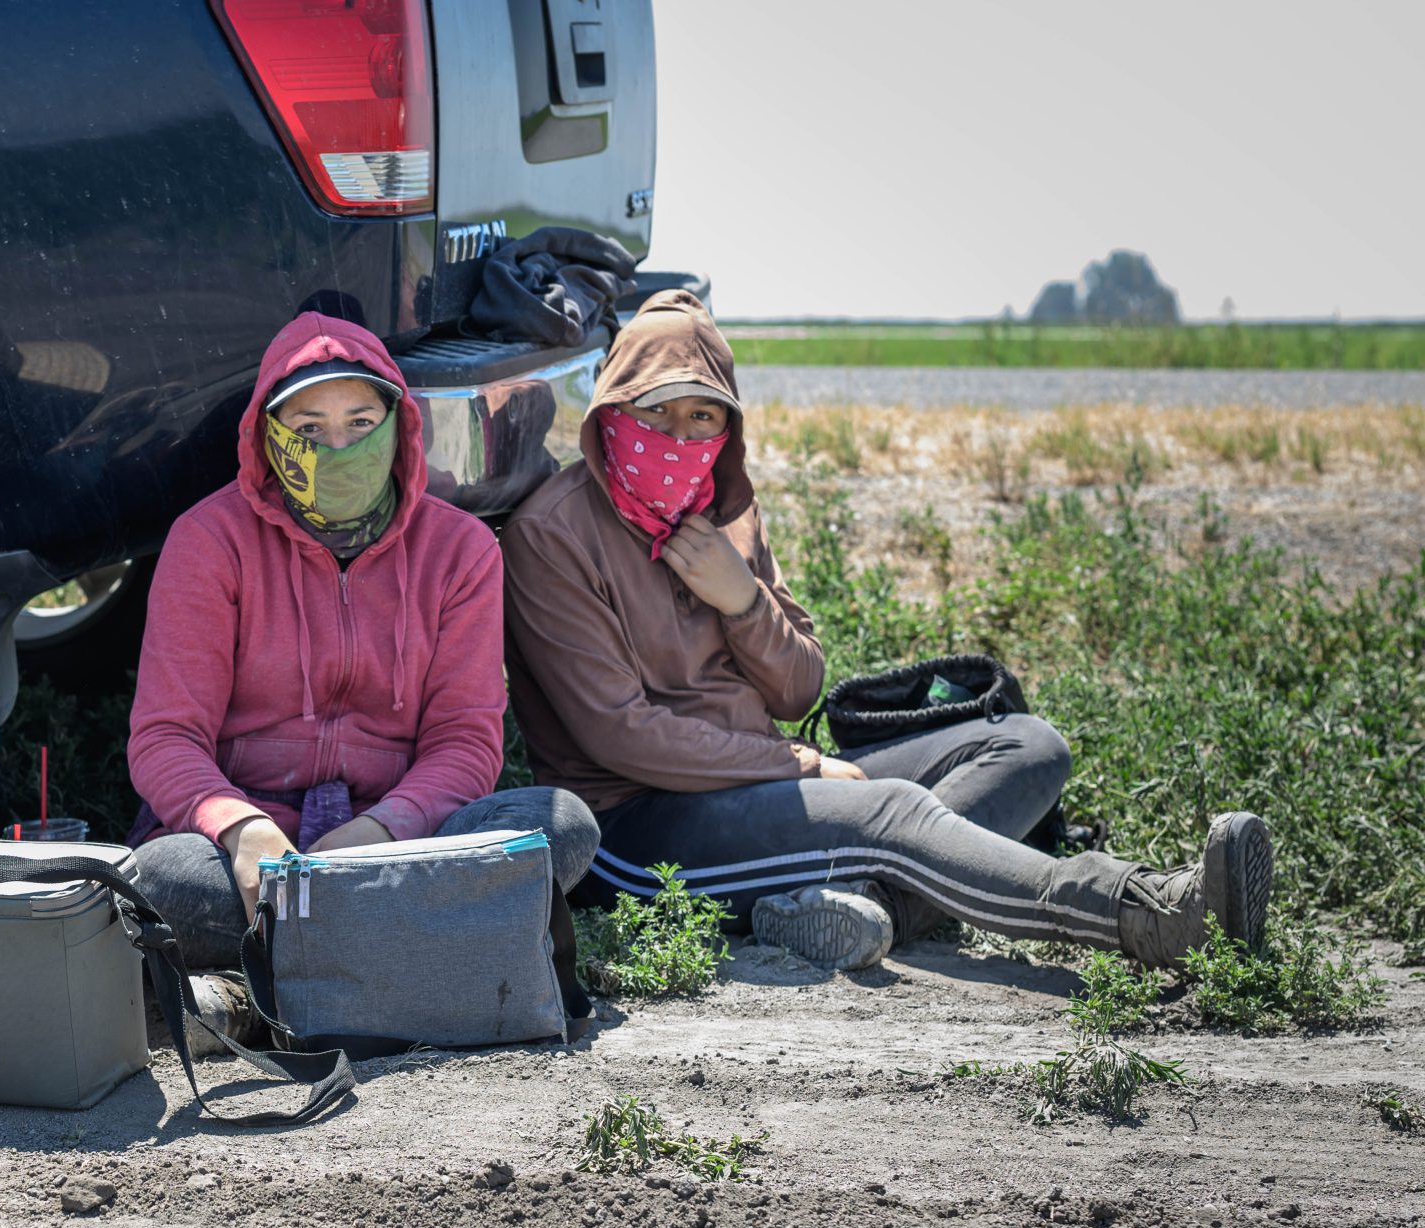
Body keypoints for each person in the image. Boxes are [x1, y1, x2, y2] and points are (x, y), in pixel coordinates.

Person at [501, 290, 1270, 971]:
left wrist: (742, 602)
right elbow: (620, 735)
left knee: (1028, 745)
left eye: (701, 413)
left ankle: (863, 906)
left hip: (763, 779)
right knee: (894, 809)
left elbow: (798, 684)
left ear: (727, 425)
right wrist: (798, 766)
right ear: (612, 410)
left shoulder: (722, 503)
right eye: (654, 410)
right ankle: (1151, 911)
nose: (677, 434)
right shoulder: (552, 534)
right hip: (642, 829)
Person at [126, 311, 601, 1032]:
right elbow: (165, 738)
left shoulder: (462, 551)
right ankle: (427, 973)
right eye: (309, 429)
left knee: (560, 825)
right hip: (256, 855)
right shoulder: (207, 541)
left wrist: (379, 833)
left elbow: (464, 744)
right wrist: (243, 829)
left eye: (360, 420)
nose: (339, 446)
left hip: (404, 847)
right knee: (158, 882)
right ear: (268, 435)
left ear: (399, 424)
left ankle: (257, 995)